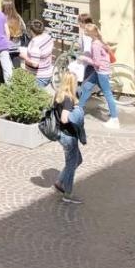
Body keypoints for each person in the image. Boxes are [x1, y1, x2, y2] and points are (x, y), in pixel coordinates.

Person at [52, 69, 86, 203]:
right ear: (72, 83)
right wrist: (77, 112)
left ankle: (59, 182)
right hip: (68, 136)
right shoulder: (68, 99)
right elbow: (64, 118)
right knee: (71, 164)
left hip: (62, 134)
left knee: (78, 160)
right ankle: (68, 194)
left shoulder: (58, 94)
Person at [78, 22, 120, 128]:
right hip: (100, 70)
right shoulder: (99, 40)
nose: (83, 31)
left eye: (85, 30)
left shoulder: (95, 45)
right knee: (86, 87)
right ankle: (78, 110)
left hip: (101, 71)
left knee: (107, 93)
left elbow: (97, 63)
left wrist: (84, 58)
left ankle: (114, 119)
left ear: (90, 33)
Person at [21, 18, 55, 87]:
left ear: (31, 31)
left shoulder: (35, 44)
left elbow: (35, 64)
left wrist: (24, 56)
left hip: (38, 77)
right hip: (48, 73)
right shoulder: (48, 37)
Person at [3, 0, 27, 77]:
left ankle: (4, 81)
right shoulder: (18, 17)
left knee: (4, 65)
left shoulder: (3, 18)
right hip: (16, 44)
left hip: (6, 45)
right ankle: (18, 79)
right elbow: (24, 28)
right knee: (16, 63)